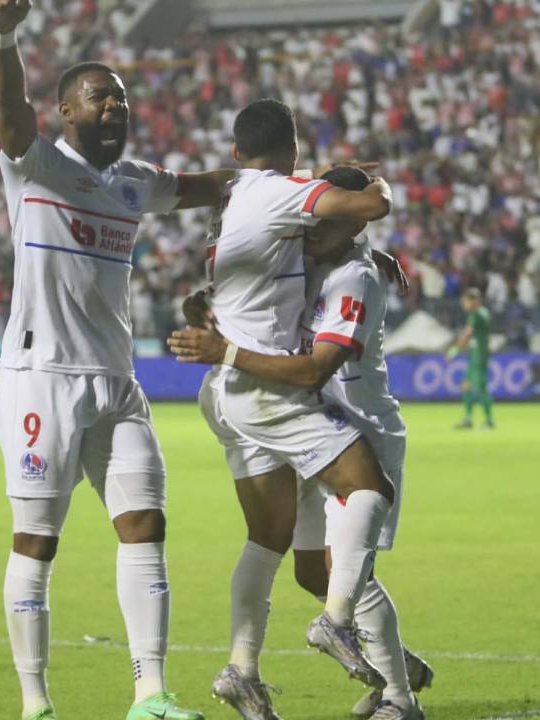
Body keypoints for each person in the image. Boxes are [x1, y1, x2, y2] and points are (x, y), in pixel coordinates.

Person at [0, 0, 237, 720]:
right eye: (101, 98)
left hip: (116, 381)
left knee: (147, 523)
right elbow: (9, 116)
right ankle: (35, 702)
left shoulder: (134, 184)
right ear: (65, 112)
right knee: (37, 539)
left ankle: (150, 694)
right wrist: (5, 41)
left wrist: (281, 179)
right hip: (41, 379)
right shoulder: (35, 166)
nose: (115, 108)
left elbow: (205, 187)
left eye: (122, 99)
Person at [170, 166, 431, 720]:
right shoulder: (313, 258)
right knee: (314, 570)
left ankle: (398, 696)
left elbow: (315, 368)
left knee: (348, 573)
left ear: (351, 223)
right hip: (314, 423)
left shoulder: (352, 277)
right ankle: (386, 669)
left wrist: (225, 353)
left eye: (326, 222)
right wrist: (208, 305)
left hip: (360, 428)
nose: (310, 229)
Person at [447, 288, 494, 430]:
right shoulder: (482, 313)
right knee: (466, 386)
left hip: (479, 356)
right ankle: (468, 419)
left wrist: (456, 349)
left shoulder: (477, 314)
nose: (463, 304)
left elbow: (468, 334)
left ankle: (489, 421)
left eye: (465, 301)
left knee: (480, 389)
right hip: (476, 355)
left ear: (473, 300)